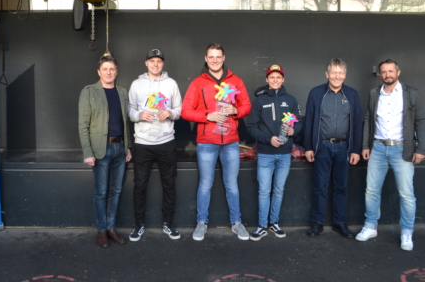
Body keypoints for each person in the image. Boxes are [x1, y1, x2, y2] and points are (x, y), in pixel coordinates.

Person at [182, 43, 252, 241]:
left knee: (232, 185)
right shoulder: (198, 83)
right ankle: (201, 223)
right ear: (206, 59)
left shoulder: (236, 81)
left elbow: (247, 106)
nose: (215, 60)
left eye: (218, 56)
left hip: (231, 142)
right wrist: (207, 116)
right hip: (207, 142)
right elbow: (185, 111)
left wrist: (236, 110)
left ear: (224, 58)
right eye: (211, 57)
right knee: (205, 185)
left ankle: (236, 222)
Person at [356, 59, 425, 251]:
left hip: (402, 149)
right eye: (384, 72)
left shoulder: (411, 93)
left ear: (398, 72)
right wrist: (365, 145)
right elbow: (368, 119)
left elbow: (420, 120)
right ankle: (370, 226)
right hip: (377, 147)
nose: (387, 75)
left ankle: (407, 232)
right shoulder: (374, 93)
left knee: (406, 194)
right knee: (371, 190)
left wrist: (421, 149)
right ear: (380, 74)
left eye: (391, 71)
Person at [304, 58, 362, 238]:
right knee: (320, 186)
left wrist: (356, 149)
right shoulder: (316, 93)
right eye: (334, 72)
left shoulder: (352, 94)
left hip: (344, 147)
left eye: (340, 72)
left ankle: (339, 223)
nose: (337, 76)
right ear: (327, 74)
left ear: (345, 75)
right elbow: (309, 121)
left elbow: (357, 123)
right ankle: (317, 223)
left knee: (341, 187)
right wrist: (308, 147)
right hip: (322, 146)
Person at [128, 49, 182, 241]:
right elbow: (130, 110)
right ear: (146, 63)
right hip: (143, 143)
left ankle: (168, 224)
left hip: (166, 141)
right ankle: (138, 225)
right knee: (140, 185)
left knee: (169, 185)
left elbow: (179, 109)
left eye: (159, 61)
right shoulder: (136, 84)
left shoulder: (171, 83)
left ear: (163, 63)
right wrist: (138, 115)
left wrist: (171, 113)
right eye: (152, 61)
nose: (155, 64)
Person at [78, 55, 132, 248]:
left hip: (120, 149)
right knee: (101, 193)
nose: (109, 72)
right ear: (99, 72)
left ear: (116, 71)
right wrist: (88, 152)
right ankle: (101, 230)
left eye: (112, 69)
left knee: (116, 191)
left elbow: (125, 122)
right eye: (105, 69)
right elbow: (83, 125)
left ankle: (111, 228)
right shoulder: (89, 92)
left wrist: (128, 147)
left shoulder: (122, 92)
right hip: (100, 150)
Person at [247, 64, 302, 240]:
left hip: (285, 154)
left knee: (278, 190)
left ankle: (274, 223)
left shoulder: (291, 100)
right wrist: (268, 139)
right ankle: (262, 225)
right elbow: (251, 126)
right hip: (266, 153)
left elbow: (299, 122)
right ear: (267, 79)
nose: (275, 80)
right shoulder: (259, 100)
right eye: (272, 77)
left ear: (283, 79)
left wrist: (294, 130)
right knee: (264, 191)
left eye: (278, 77)